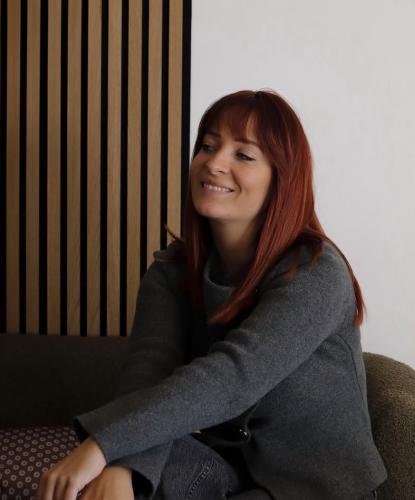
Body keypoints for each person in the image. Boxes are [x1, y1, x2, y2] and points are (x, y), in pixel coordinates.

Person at [36, 89, 387, 500]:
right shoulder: (172, 271)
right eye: (208, 146)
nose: (215, 163)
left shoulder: (315, 271)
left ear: (282, 178)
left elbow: (233, 377)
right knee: (120, 473)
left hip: (317, 488)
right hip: (228, 472)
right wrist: (120, 464)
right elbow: (147, 377)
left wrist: (103, 445)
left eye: (244, 155)